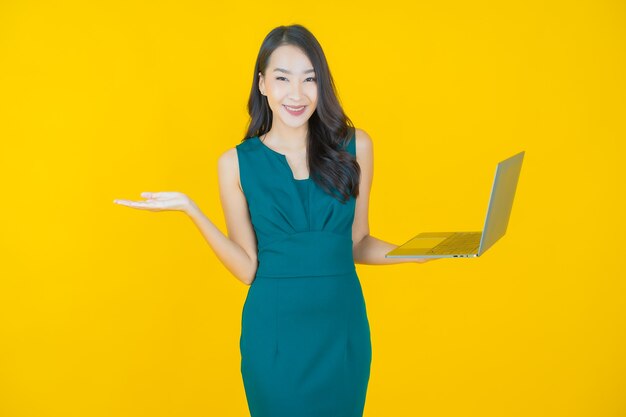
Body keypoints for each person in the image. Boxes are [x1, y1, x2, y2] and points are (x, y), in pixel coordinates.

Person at [114, 23, 437, 417]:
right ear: (263, 84)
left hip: (342, 333)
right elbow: (247, 268)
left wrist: (420, 253)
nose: (296, 94)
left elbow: (356, 243)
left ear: (323, 85)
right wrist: (192, 210)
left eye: (309, 79)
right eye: (283, 79)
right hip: (275, 339)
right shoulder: (235, 163)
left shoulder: (357, 146)